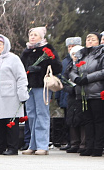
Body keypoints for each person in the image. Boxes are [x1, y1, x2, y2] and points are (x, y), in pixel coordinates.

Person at [68, 32, 104, 157]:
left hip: (97, 92)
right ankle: (89, 146)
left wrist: (87, 78)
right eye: (88, 39)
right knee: (87, 120)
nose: (89, 41)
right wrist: (76, 78)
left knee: (99, 120)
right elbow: (73, 69)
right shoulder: (81, 54)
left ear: (98, 41)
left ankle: (98, 147)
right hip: (83, 93)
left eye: (93, 39)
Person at [0, 34, 28, 155]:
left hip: (11, 96)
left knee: (11, 123)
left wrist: (22, 93)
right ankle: (0, 146)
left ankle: (13, 148)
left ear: (6, 45)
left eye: (0, 44)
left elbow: (21, 77)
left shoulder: (13, 58)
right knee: (0, 122)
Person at [20, 26, 62, 155]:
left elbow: (57, 67)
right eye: (31, 34)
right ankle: (33, 144)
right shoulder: (26, 52)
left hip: (41, 86)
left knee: (42, 114)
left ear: (42, 37)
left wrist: (40, 69)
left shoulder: (47, 49)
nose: (32, 37)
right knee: (31, 115)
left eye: (35, 35)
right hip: (30, 86)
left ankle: (43, 145)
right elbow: (21, 68)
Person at [58, 37, 82, 150]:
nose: (71, 48)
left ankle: (78, 142)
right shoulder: (65, 61)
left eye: (73, 46)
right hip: (66, 94)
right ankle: (70, 141)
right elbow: (61, 79)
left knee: (76, 118)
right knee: (68, 119)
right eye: (69, 47)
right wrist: (58, 95)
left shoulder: (80, 60)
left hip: (76, 94)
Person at [64, 45, 85, 153]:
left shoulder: (83, 64)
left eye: (77, 54)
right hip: (71, 94)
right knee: (71, 118)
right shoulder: (69, 66)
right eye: (73, 54)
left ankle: (83, 143)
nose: (75, 56)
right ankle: (74, 142)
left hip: (81, 93)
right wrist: (68, 88)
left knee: (81, 119)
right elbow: (64, 79)